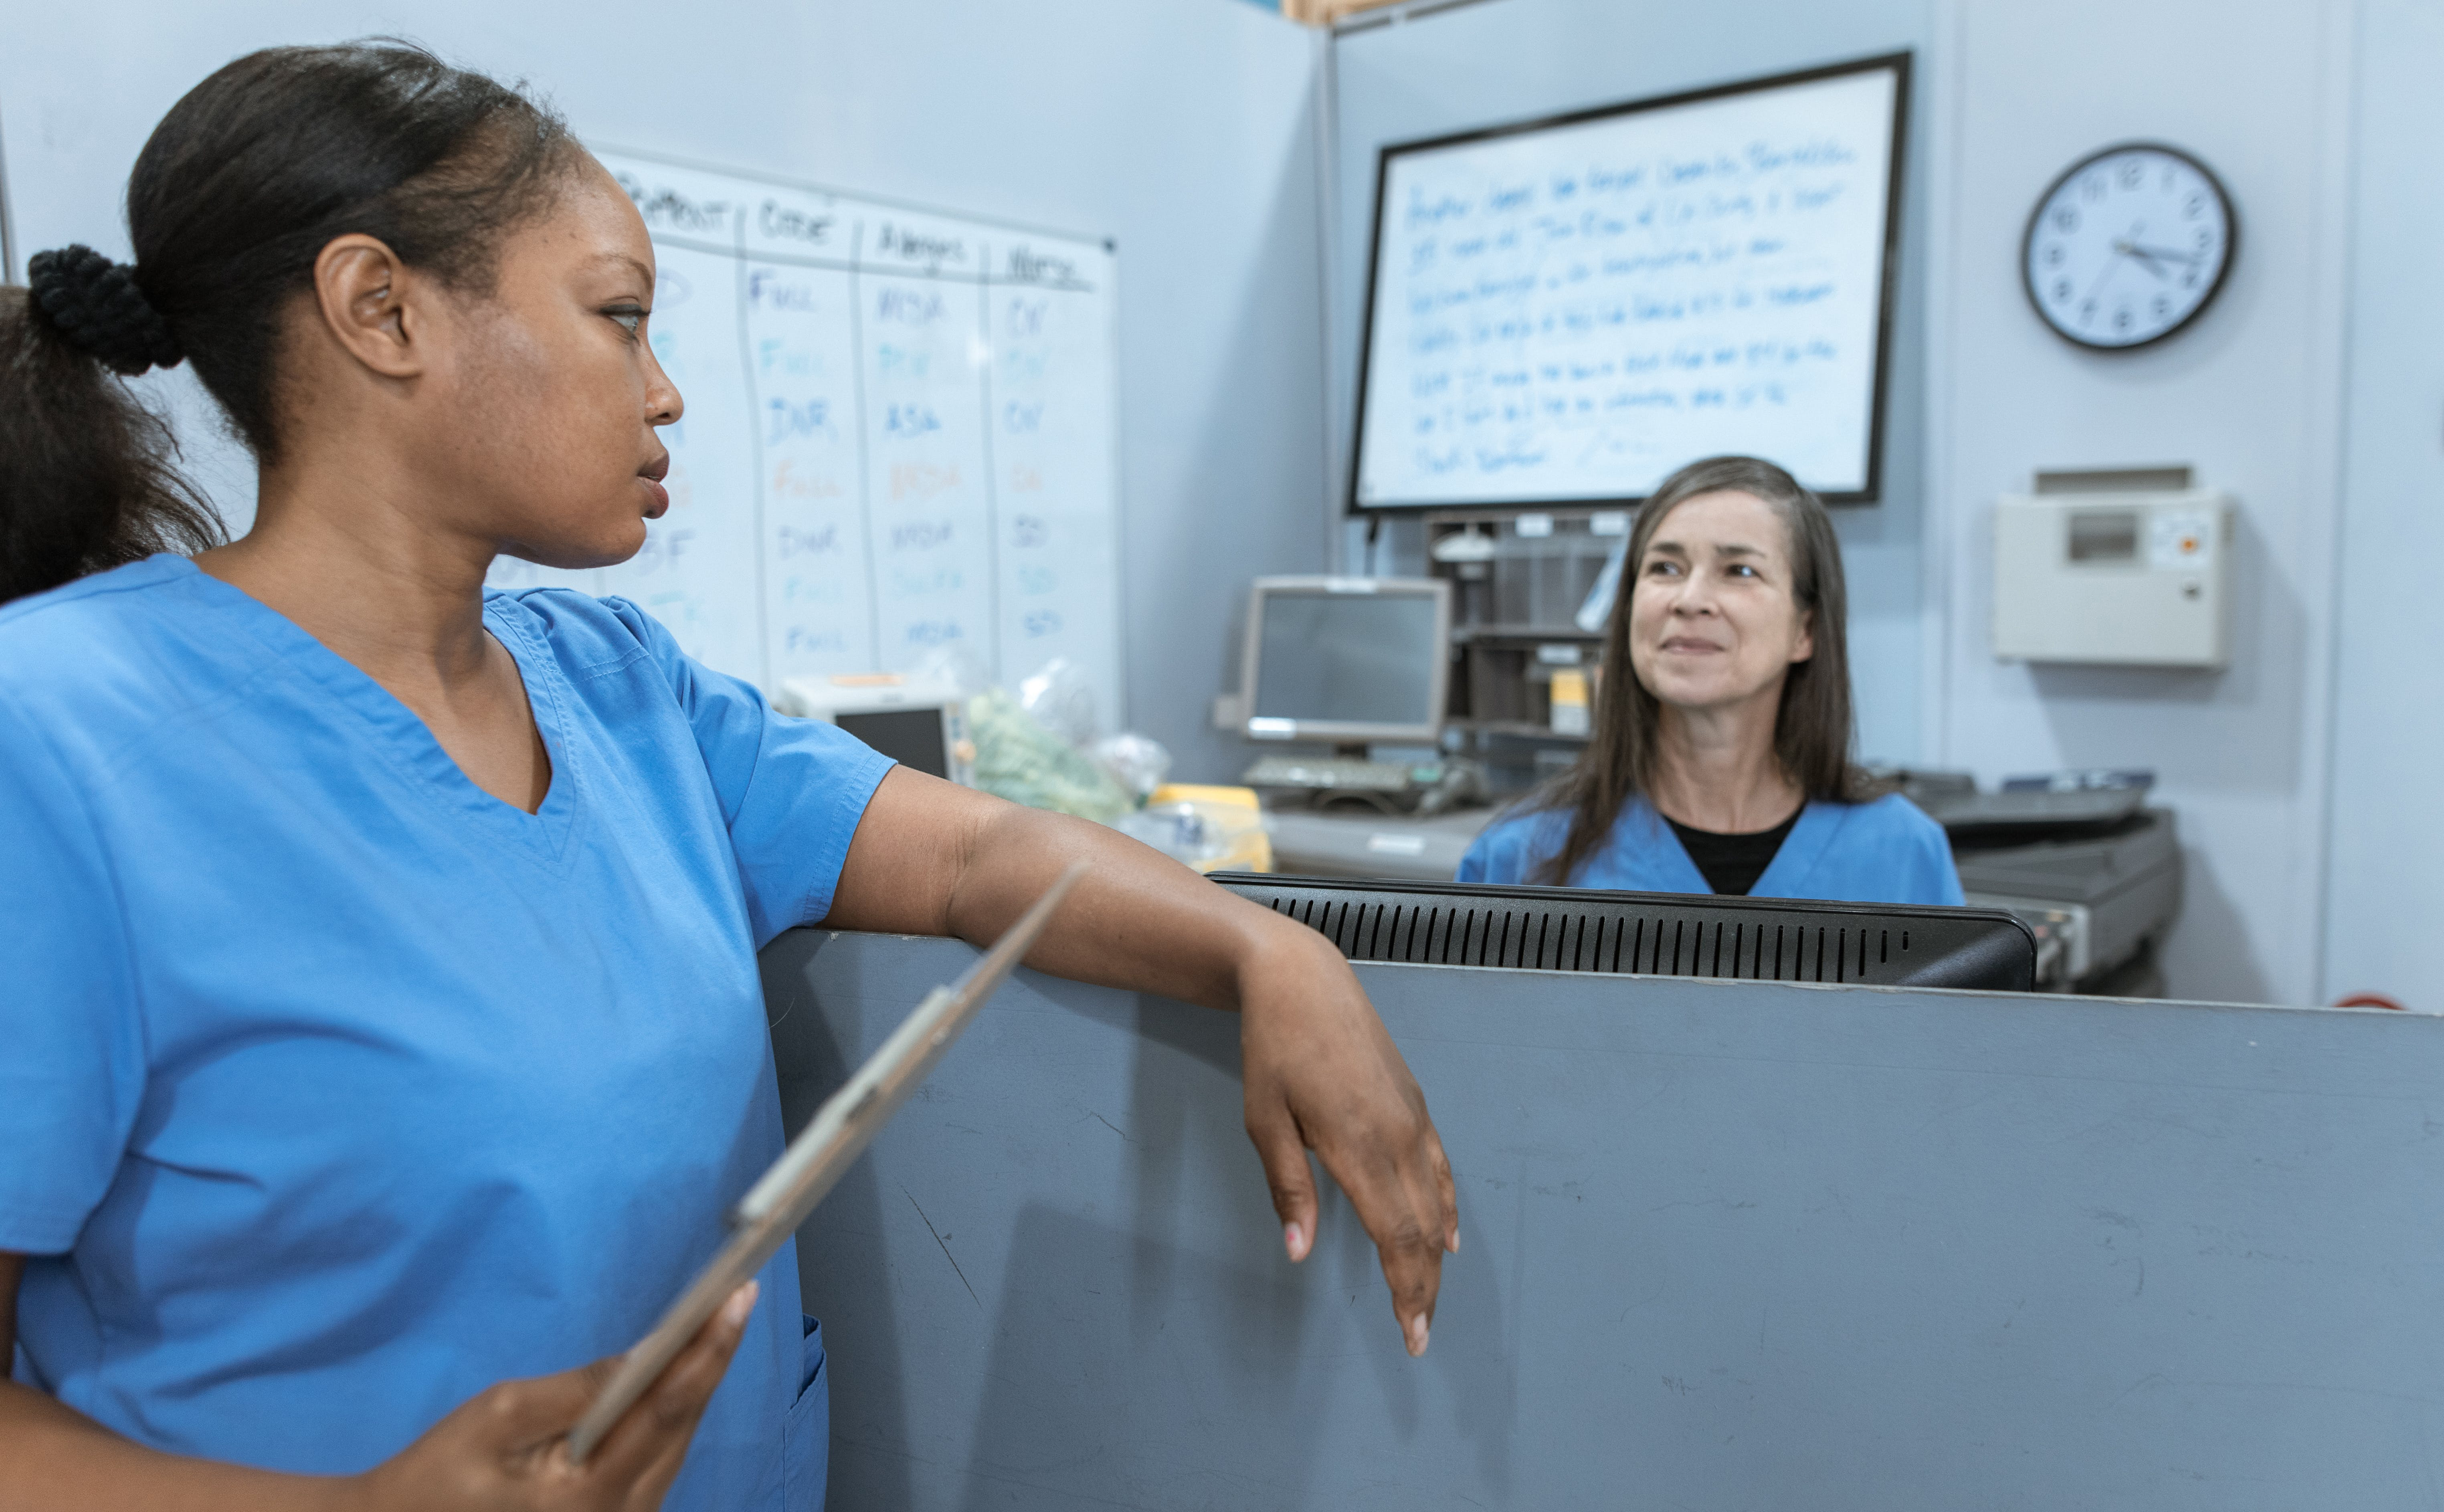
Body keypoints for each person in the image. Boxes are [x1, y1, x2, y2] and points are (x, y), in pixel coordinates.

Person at [0, 42, 1456, 1511]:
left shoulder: (621, 687)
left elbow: (975, 865)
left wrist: (1268, 948)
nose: (669, 392)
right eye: (621, 319)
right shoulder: (57, 735)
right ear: (382, 311)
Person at [1458, 455, 1961, 906]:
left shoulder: (1903, 853)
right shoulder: (1519, 858)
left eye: (1738, 570)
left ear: (1804, 630)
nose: (1690, 598)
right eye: (1665, 567)